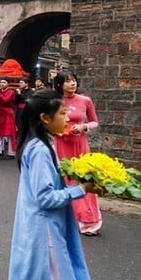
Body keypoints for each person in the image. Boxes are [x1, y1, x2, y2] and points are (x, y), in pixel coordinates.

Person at [0, 89, 100, 280]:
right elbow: (45, 198)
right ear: (45, 118)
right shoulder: (41, 150)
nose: (67, 118)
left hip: (35, 233)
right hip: (45, 236)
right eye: (62, 113)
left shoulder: (39, 145)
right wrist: (81, 189)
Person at [53, 71, 102, 236]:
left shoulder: (85, 100)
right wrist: (57, 132)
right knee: (64, 179)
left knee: (84, 179)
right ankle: (66, 219)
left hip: (80, 145)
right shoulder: (55, 101)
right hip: (61, 144)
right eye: (68, 81)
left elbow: (95, 121)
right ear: (60, 84)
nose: (72, 84)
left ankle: (89, 221)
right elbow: (46, 121)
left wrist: (84, 127)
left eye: (74, 80)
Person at [0, 78, 17, 158]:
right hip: (0, 112)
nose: (2, 84)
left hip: (7, 113)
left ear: (8, 84)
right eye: (1, 82)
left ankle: (11, 152)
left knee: (10, 133)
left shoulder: (11, 92)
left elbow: (5, 100)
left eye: (4, 82)